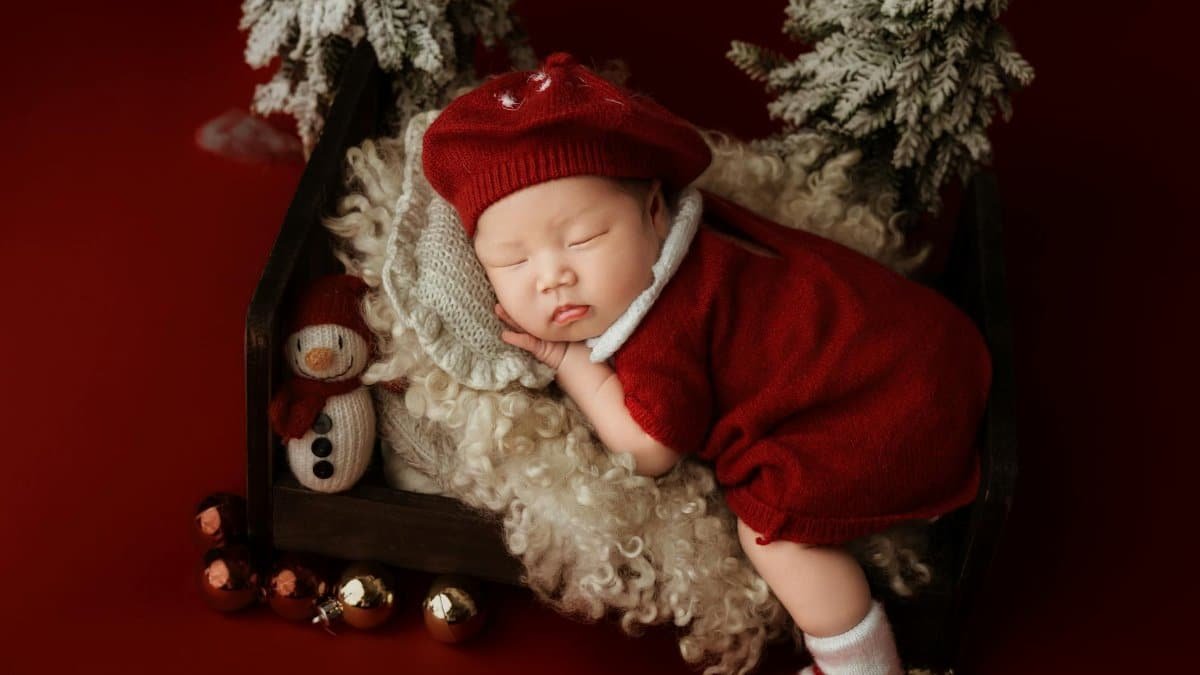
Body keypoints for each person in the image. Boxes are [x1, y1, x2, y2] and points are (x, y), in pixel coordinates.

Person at [422, 51, 991, 675]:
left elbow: (650, 448)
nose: (553, 275)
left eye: (584, 239)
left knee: (772, 536)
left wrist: (568, 361)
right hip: (928, 339)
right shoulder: (708, 231)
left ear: (655, 212)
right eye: (512, 261)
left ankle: (862, 664)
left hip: (888, 410)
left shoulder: (664, 329)